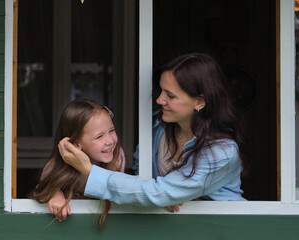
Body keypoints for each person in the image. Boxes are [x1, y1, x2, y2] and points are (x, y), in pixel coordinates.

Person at [58, 51, 250, 211]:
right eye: (161, 91)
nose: (159, 100)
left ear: (199, 102)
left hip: (221, 228)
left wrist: (89, 171)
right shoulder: (158, 125)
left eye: (170, 95)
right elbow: (147, 179)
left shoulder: (222, 152)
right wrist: (160, 196)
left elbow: (158, 193)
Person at [29, 99, 126, 230]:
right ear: (75, 144)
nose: (110, 141)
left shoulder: (117, 156)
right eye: (99, 136)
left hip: (101, 227)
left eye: (112, 130)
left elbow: (118, 190)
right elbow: (42, 188)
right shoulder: (55, 166)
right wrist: (54, 194)